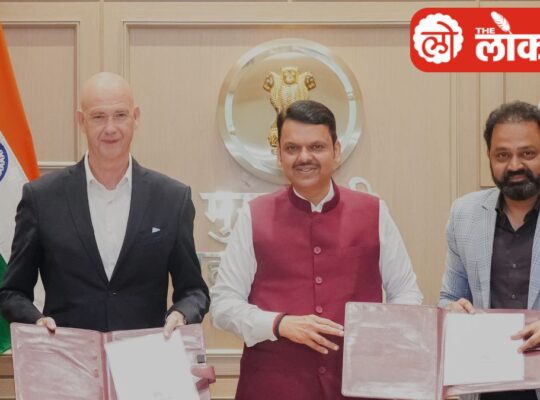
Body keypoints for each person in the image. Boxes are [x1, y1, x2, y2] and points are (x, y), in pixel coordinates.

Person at [210, 100, 422, 399]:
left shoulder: (373, 211)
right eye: (292, 148)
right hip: (274, 386)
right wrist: (279, 324)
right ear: (279, 155)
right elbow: (223, 305)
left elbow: (407, 292)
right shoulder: (253, 215)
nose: (304, 157)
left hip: (357, 384)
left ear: (336, 151)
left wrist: (378, 335)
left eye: (316, 147)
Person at [0, 72, 209, 337]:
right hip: (67, 355)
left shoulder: (172, 198)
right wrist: (36, 321)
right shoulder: (41, 198)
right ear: (81, 121)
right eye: (98, 117)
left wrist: (181, 314)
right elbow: (12, 292)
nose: (110, 128)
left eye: (120, 115)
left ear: (136, 117)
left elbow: (194, 291)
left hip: (143, 355)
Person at [439, 101, 540, 400]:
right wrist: (452, 311)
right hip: (484, 384)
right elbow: (449, 297)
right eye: (502, 155)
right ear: (489, 156)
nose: (515, 166)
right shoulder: (464, 214)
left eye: (528, 154)